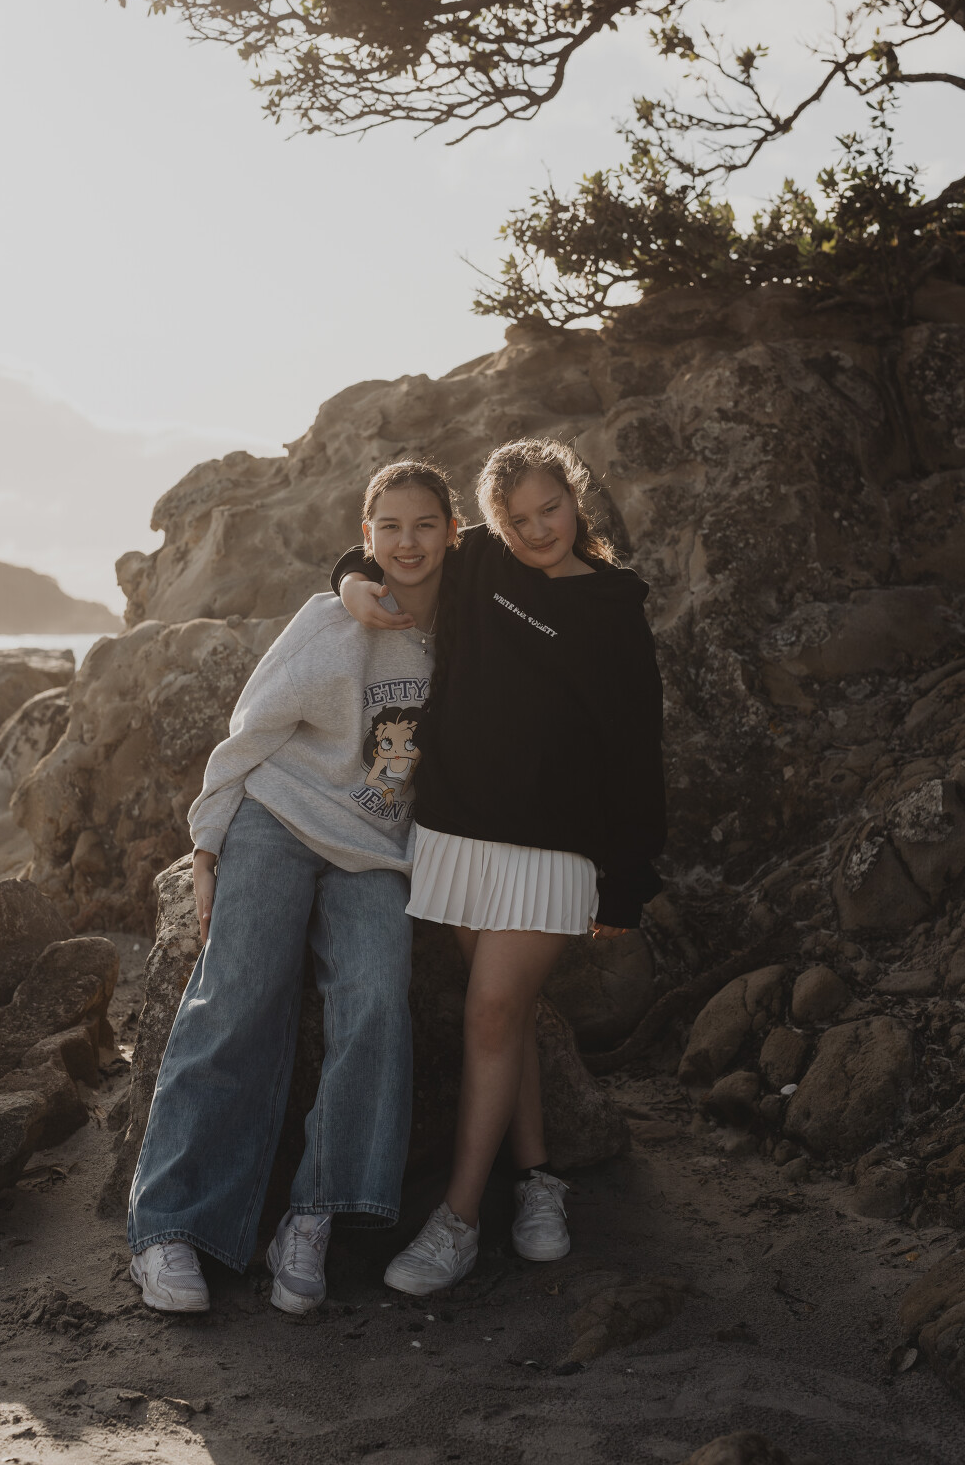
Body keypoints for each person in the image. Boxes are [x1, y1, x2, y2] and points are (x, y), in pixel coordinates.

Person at [332, 437, 665, 1294]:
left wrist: (627, 881)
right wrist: (350, 584)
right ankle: (538, 1179)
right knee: (505, 1020)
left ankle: (457, 1221)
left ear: (574, 498)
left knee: (488, 1013)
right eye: (515, 520)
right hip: (454, 836)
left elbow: (637, 750)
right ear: (488, 524)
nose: (536, 530)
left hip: (553, 851)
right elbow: (388, 551)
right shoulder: (478, 562)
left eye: (549, 509)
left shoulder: (613, 605)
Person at [127, 460, 457, 1315]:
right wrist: (207, 841)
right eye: (389, 527)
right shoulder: (327, 619)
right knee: (237, 990)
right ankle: (169, 1226)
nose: (407, 542)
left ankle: (311, 1217)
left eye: (425, 524)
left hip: (373, 849)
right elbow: (252, 727)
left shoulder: (465, 634)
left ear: (452, 532)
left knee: (376, 995)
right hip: (276, 816)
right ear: (366, 534)